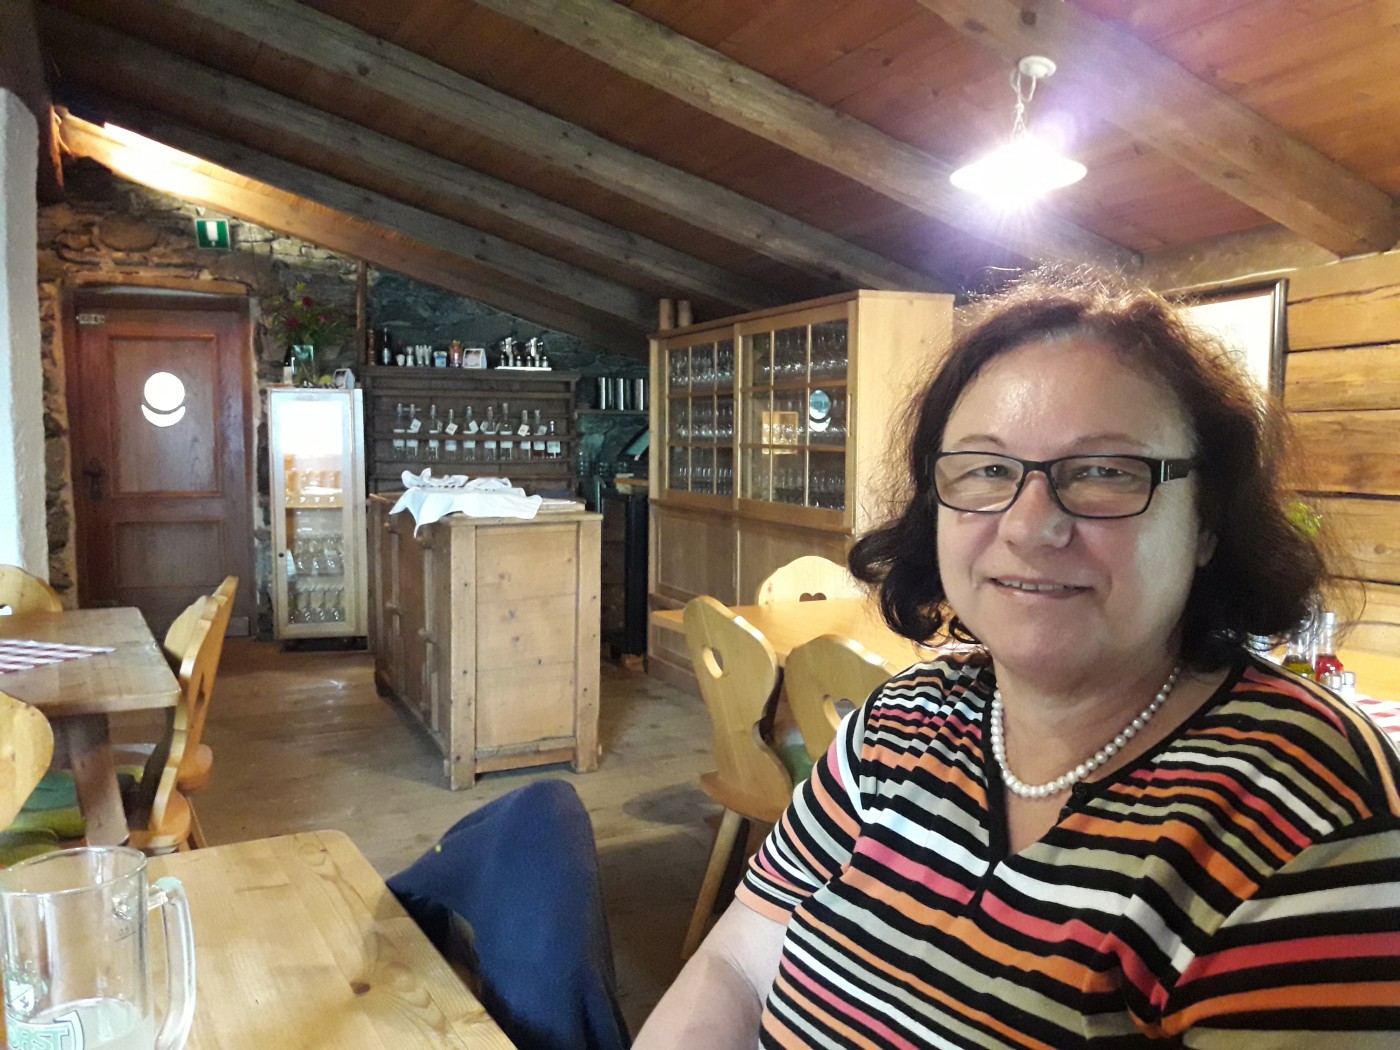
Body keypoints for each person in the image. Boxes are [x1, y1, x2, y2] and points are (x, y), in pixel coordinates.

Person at [635, 272, 1400, 1048]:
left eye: (1104, 471)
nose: (1030, 527)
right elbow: (737, 961)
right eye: (988, 469)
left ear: (1207, 521)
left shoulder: (1302, 816)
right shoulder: (901, 721)